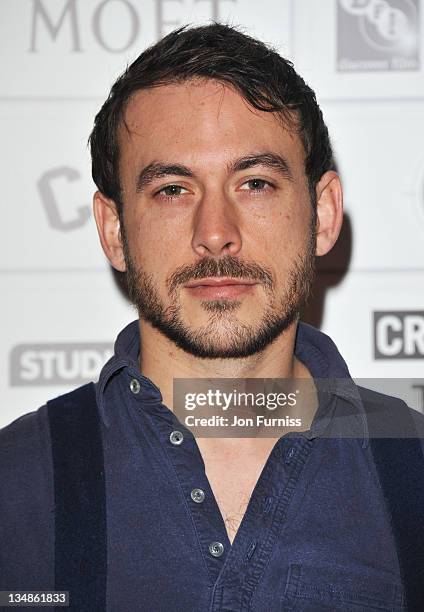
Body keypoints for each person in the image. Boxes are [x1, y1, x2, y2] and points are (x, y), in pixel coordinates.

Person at [1, 22, 424, 612]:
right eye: (173, 189)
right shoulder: (15, 483)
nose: (216, 234)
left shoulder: (416, 472)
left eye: (255, 183)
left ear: (323, 214)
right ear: (113, 230)